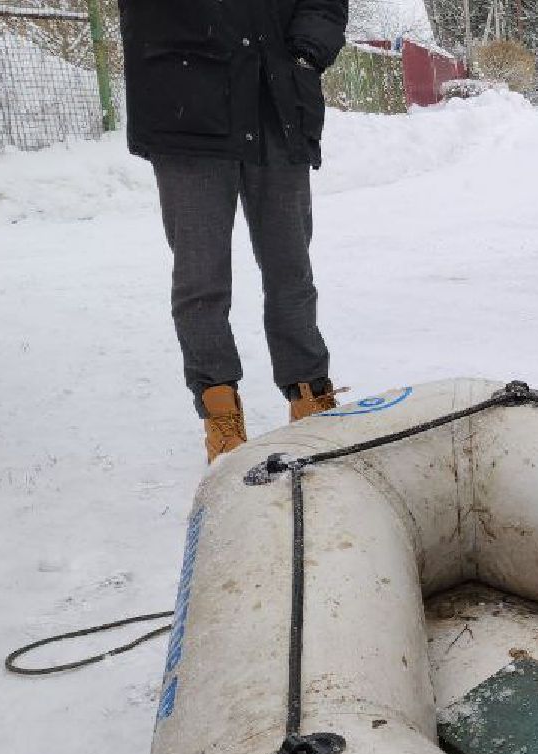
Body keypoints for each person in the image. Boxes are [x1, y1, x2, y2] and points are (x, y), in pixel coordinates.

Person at [118, 0, 350, 462]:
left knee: (291, 270)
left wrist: (305, 54)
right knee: (200, 278)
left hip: (276, 95)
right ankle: (219, 412)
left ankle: (310, 398)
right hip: (186, 105)